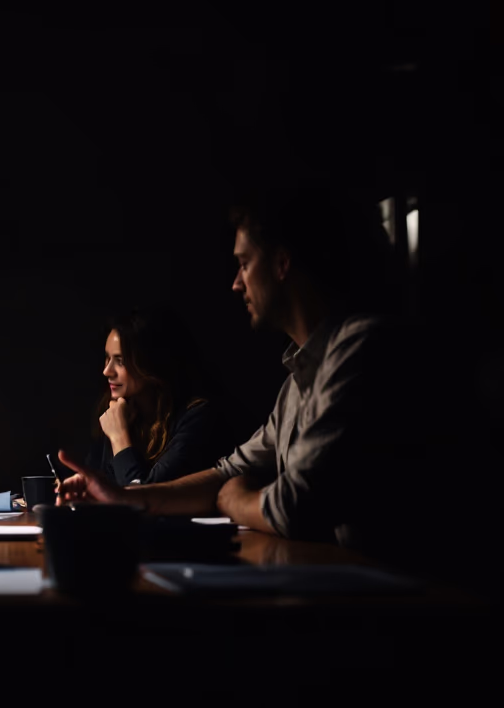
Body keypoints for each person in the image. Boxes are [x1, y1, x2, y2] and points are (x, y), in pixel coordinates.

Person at [58, 187, 419, 561]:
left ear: (281, 263)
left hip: (394, 600)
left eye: (244, 264)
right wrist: (121, 497)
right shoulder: (297, 380)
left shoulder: (360, 349)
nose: (235, 282)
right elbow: (227, 470)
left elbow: (292, 505)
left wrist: (234, 498)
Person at [85, 305, 233, 486]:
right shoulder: (118, 410)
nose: (106, 371)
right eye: (107, 358)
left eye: (120, 361)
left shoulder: (197, 417)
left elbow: (144, 499)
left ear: (150, 363)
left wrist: (119, 436)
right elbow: (100, 489)